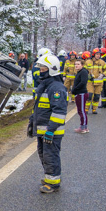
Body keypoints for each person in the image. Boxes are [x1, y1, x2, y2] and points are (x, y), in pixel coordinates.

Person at [33, 52, 69, 192]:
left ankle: (53, 182)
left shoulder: (56, 88)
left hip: (51, 131)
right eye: (40, 69)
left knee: (51, 155)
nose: (40, 72)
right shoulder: (46, 85)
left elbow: (59, 112)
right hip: (44, 130)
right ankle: (50, 177)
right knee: (44, 154)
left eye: (43, 69)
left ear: (51, 69)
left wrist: (50, 130)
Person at [71, 58, 90, 133]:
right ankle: (84, 126)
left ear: (82, 65)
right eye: (75, 64)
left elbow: (83, 82)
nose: (76, 66)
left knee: (82, 111)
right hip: (78, 93)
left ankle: (83, 127)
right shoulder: (79, 72)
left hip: (81, 93)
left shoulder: (83, 72)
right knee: (80, 110)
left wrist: (75, 89)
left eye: (78, 64)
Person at [86, 48, 106, 114]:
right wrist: (88, 76)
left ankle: (94, 109)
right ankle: (86, 109)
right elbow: (84, 71)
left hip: (99, 82)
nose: (98, 55)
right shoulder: (88, 62)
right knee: (89, 95)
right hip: (90, 82)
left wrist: (103, 74)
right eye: (97, 54)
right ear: (93, 54)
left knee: (97, 96)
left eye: (99, 54)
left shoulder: (102, 62)